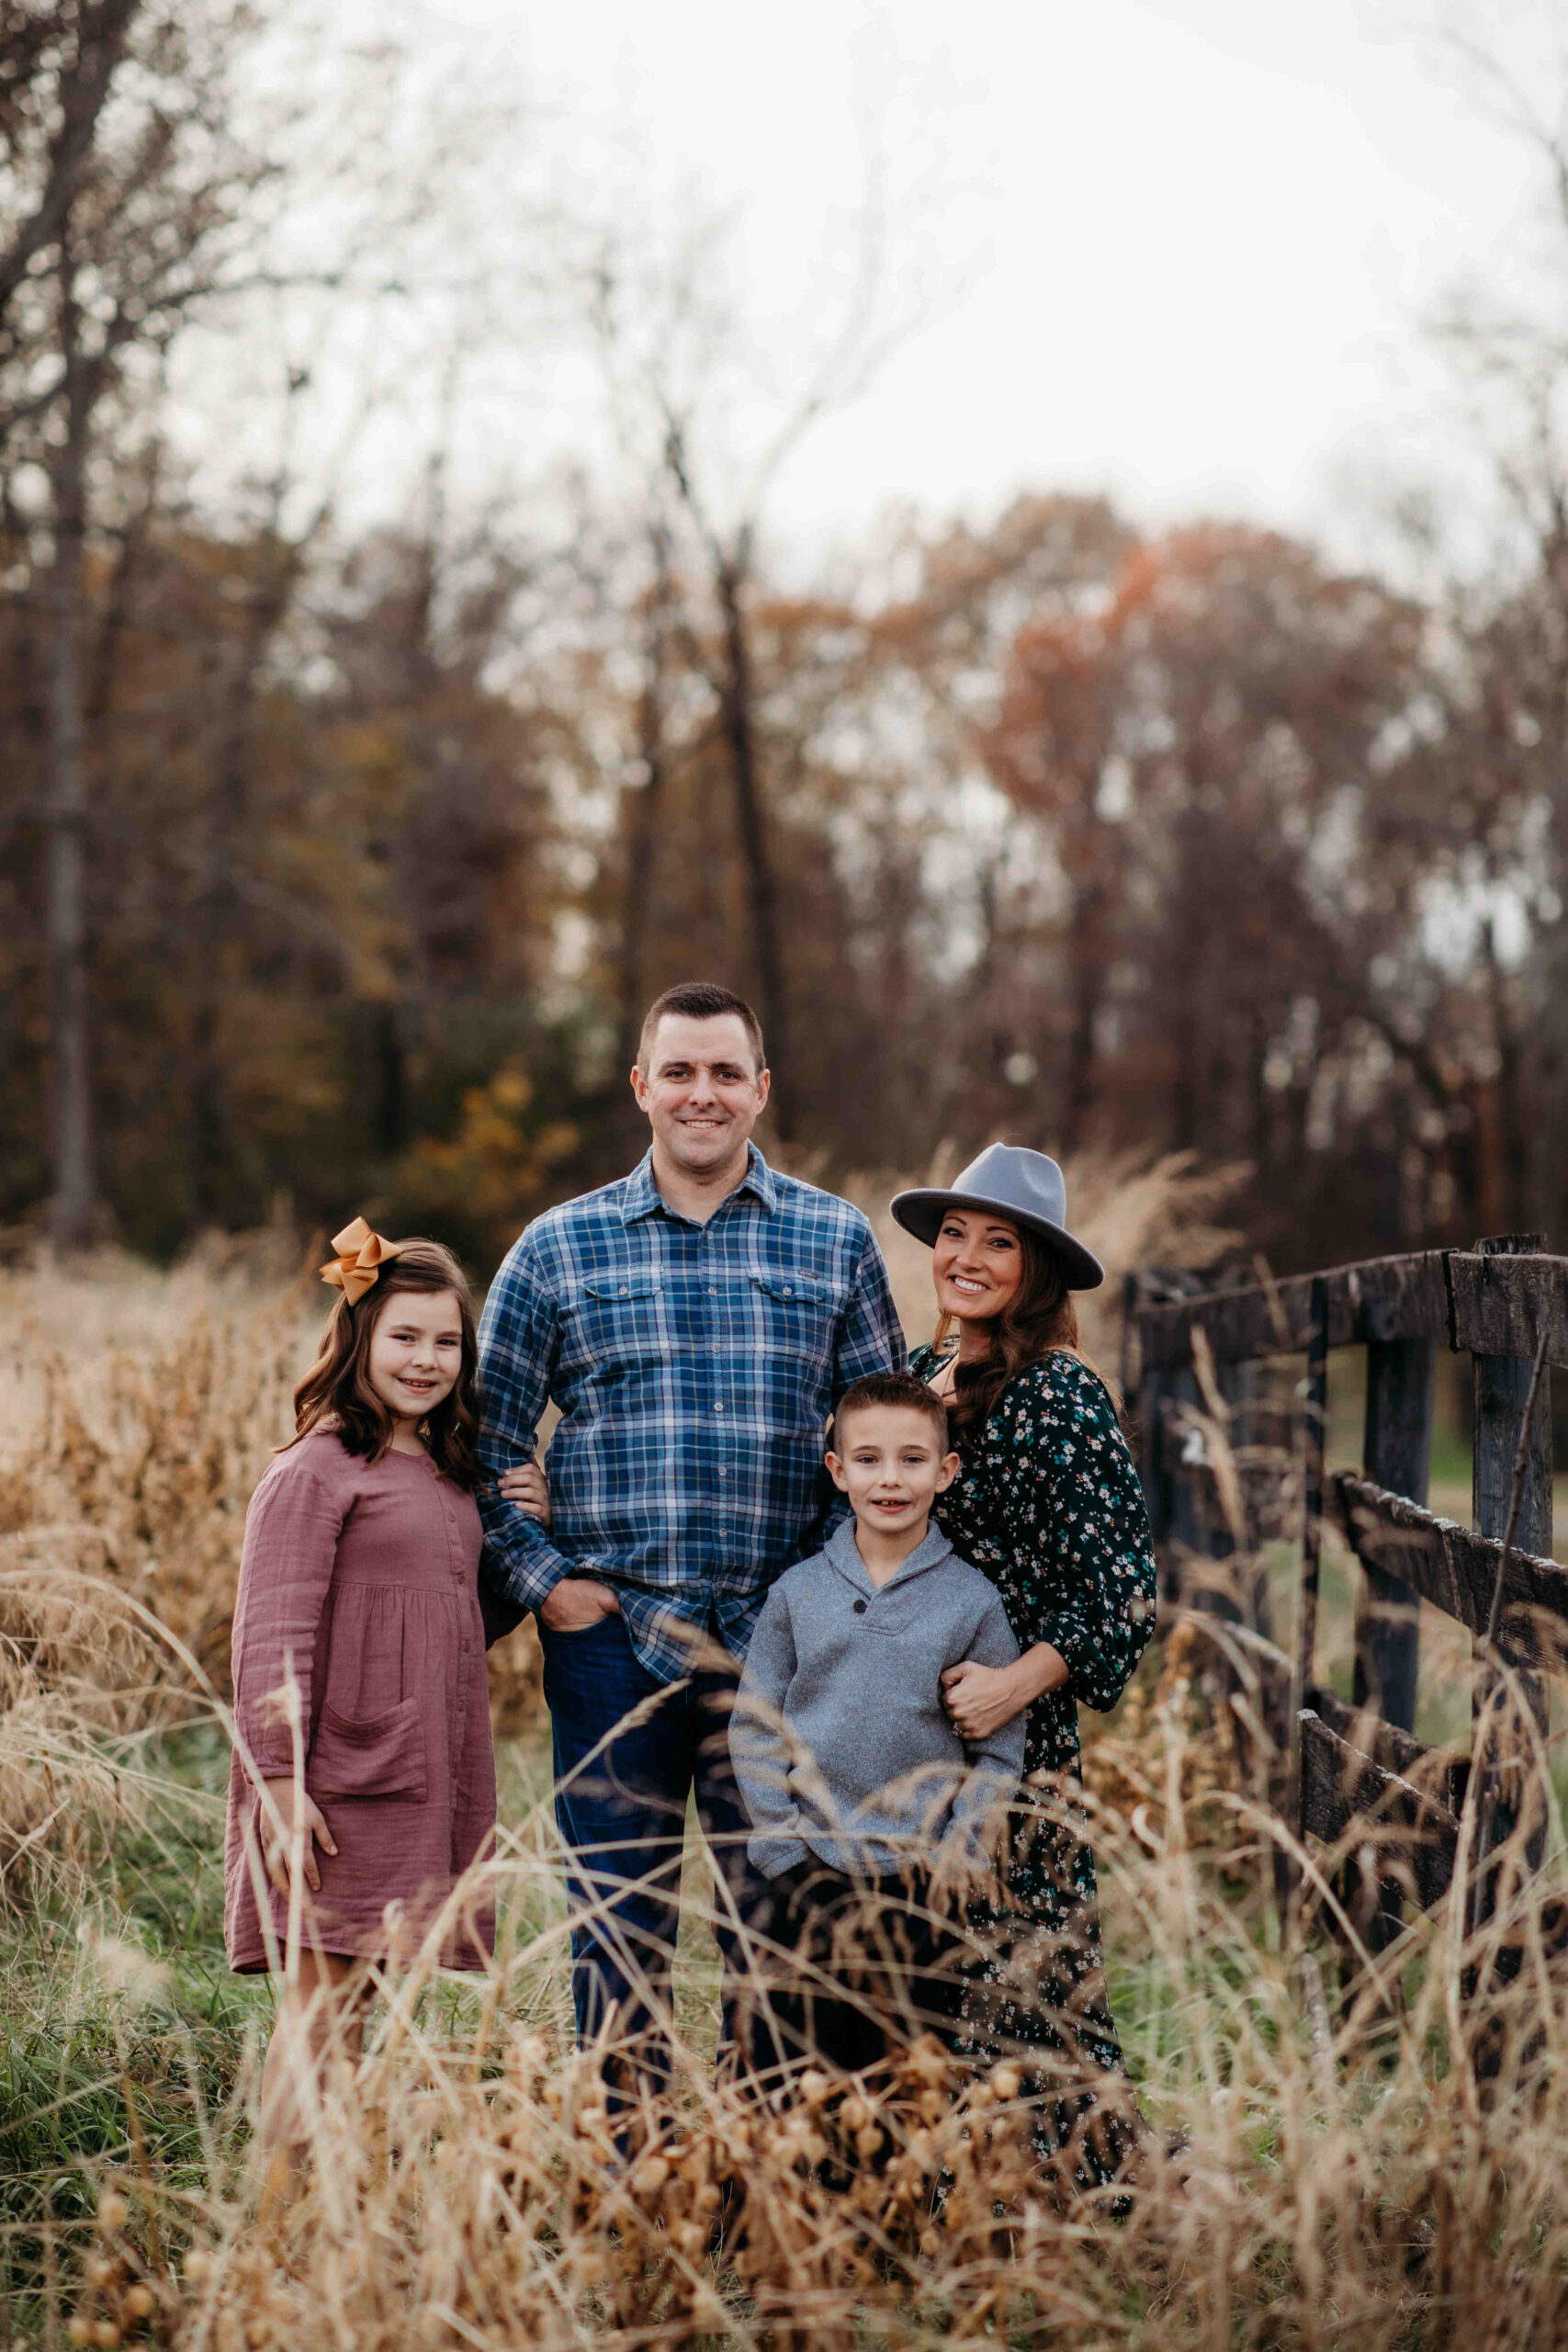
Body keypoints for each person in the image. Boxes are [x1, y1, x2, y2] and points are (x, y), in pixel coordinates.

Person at [476, 981, 905, 2088]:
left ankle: (768, 2195)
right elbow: (474, 1440)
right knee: (617, 1929)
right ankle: (635, 2183)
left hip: (784, 1643)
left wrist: (847, 1608)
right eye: (679, 1071)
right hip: (613, 1641)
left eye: (724, 1073)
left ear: (760, 1091)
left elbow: (884, 1440)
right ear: (641, 1088)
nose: (700, 1093)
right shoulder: (557, 1249)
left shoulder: (835, 1240)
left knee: (782, 1936)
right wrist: (546, 1583)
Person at [889, 1144, 1157, 2189]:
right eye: (954, 1232)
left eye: (997, 1241)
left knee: (1023, 1977)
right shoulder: (919, 1375)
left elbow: (1122, 1591)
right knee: (925, 1972)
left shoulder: (1058, 1397)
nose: (967, 1254)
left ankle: (1070, 2193)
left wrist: (1014, 1682)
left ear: (1034, 1269)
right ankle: (944, 2190)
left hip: (1010, 1740)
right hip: (902, 1740)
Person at [224, 1220, 495, 2163]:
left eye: (446, 1341)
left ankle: (330, 2226)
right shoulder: (316, 1468)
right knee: (322, 2012)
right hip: (335, 1783)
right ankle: (273, 2234)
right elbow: (270, 1632)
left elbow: (448, 1611)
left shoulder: (446, 1474)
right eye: (405, 1337)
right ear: (360, 1340)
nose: (426, 1360)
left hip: (419, 1771)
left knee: (364, 2004)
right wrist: (280, 1781)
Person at [729, 1372, 1026, 2087]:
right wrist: (781, 1850)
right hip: (808, 1875)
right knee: (795, 2074)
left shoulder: (972, 1602)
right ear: (836, 1470)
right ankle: (791, 2201)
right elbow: (753, 1725)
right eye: (867, 1459)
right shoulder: (798, 1593)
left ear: (946, 1471)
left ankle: (891, 2205)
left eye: (912, 1459)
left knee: (904, 2082)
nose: (889, 1479)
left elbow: (997, 1752)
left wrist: (960, 1860)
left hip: (921, 1885)